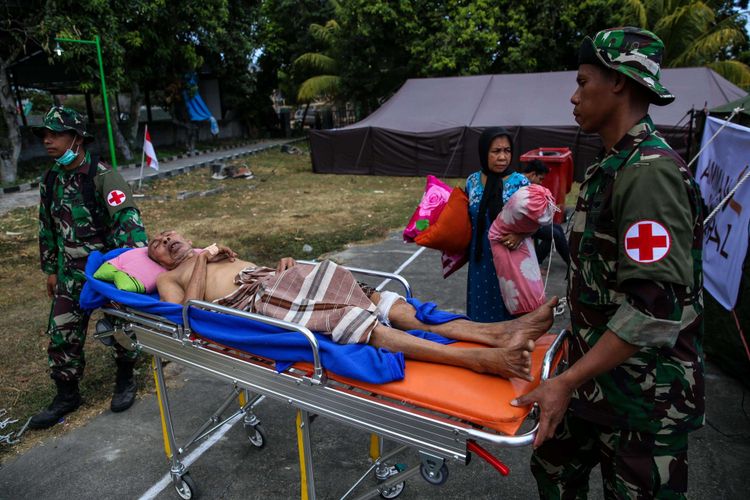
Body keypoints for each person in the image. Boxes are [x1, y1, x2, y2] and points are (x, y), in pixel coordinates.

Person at [511, 28, 704, 498]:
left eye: (582, 82)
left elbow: (654, 309)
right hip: (596, 384)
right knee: (553, 470)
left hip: (644, 401)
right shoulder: (610, 168)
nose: (574, 97)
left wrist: (566, 381)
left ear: (618, 82)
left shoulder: (649, 174)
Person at [147, 231, 558, 379]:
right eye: (159, 245)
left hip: (274, 280)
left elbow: (252, 268)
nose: (167, 241)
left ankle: (499, 332)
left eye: (169, 235)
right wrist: (199, 258)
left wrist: (283, 265)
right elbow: (190, 313)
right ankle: (478, 360)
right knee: (353, 322)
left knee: (377, 299)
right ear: (159, 261)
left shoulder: (215, 252)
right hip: (256, 302)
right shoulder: (173, 276)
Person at [30, 106, 148, 429]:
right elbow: (47, 227)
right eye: (45, 134)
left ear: (77, 139)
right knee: (61, 334)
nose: (47, 141)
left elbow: (128, 220)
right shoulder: (51, 179)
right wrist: (51, 269)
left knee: (121, 328)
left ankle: (125, 378)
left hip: (104, 273)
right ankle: (67, 394)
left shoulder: (103, 176)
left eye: (55, 134)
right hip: (69, 273)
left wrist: (133, 270)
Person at [466, 128, 530, 322]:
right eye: (496, 151)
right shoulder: (472, 181)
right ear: (484, 152)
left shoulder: (520, 182)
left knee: (511, 315)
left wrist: (520, 234)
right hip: (480, 258)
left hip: (511, 256)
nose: (503, 157)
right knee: (480, 314)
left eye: (507, 151)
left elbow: (537, 219)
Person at [523, 160, 570, 267]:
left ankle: (570, 260)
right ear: (532, 174)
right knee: (555, 235)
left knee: (557, 228)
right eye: (540, 179)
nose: (541, 183)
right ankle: (534, 264)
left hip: (531, 220)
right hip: (525, 224)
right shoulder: (522, 184)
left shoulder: (527, 183)